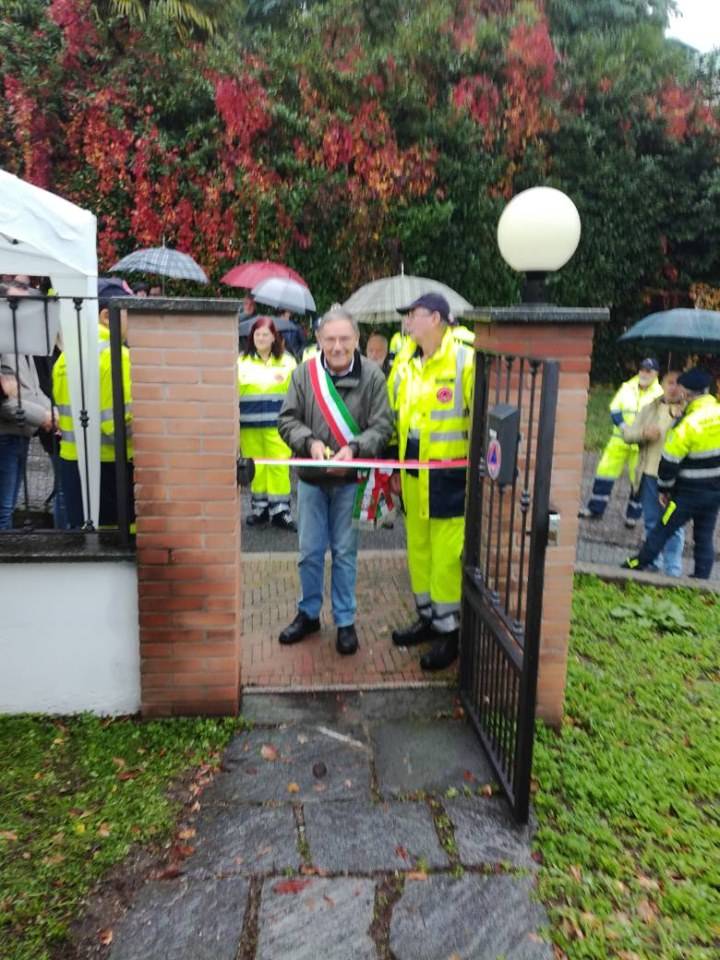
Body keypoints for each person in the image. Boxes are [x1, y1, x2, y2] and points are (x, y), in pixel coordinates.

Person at [277, 306, 393, 655]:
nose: (338, 346)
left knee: (345, 553)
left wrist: (355, 448)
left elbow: (383, 425)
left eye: (345, 339)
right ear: (319, 340)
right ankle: (308, 613)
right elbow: (287, 420)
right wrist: (308, 442)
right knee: (309, 552)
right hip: (312, 481)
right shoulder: (303, 374)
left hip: (351, 482)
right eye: (330, 339)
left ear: (356, 339)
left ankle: (345, 620)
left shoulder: (373, 376)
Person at [389, 293, 474, 671]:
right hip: (412, 474)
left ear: (436, 318)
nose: (407, 321)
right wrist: (394, 466)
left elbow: (481, 415)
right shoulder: (406, 360)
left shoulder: (464, 358)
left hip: (448, 476)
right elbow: (396, 415)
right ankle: (427, 617)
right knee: (419, 551)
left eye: (413, 314)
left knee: (445, 558)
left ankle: (450, 634)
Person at [623, 368, 720, 579]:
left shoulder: (689, 424)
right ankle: (702, 578)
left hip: (688, 493)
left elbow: (669, 462)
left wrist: (664, 489)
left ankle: (636, 565)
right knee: (704, 536)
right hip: (714, 494)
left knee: (662, 529)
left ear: (687, 393)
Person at [53, 279, 134, 528]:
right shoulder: (116, 357)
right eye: (127, 313)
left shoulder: (66, 358)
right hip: (110, 466)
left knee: (84, 536)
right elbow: (119, 426)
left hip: (70, 462)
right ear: (107, 316)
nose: (130, 322)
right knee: (116, 540)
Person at [579, 358, 663, 527]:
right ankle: (595, 509)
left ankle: (632, 516)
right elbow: (615, 409)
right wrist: (625, 428)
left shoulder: (659, 394)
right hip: (619, 440)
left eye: (649, 371)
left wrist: (640, 434)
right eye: (642, 369)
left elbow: (659, 418)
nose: (644, 373)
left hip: (642, 445)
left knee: (638, 480)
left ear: (656, 374)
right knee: (605, 473)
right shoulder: (627, 387)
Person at [621, 370, 685, 575]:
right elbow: (628, 434)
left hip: (675, 478)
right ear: (663, 385)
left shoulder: (689, 411)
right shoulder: (650, 408)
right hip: (650, 474)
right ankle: (653, 562)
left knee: (673, 524)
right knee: (651, 521)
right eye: (670, 383)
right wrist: (643, 434)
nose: (674, 387)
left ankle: (672, 569)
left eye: (678, 383)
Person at [0, 283, 54, 529]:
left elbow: (29, 388)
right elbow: (5, 400)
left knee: (7, 506)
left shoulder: (17, 340)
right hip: (6, 434)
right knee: (4, 509)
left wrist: (52, 414)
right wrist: (42, 415)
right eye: (16, 304)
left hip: (19, 432)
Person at [238, 316, 297, 530]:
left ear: (274, 337)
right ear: (251, 337)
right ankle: (260, 509)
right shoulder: (240, 361)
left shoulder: (288, 362)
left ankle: (281, 510)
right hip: (249, 427)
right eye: (257, 334)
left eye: (265, 334)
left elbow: (295, 395)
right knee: (256, 467)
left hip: (278, 426)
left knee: (279, 465)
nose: (261, 338)